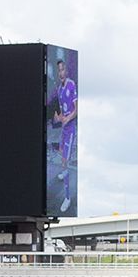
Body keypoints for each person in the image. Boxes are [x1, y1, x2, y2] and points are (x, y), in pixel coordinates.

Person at [52, 57, 77, 212]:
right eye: (59, 70)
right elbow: (63, 111)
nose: (61, 72)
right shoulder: (60, 89)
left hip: (71, 129)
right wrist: (59, 117)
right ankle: (64, 171)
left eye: (63, 69)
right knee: (62, 156)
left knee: (64, 161)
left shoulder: (71, 85)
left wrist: (68, 118)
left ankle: (67, 197)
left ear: (66, 71)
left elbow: (76, 109)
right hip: (64, 128)